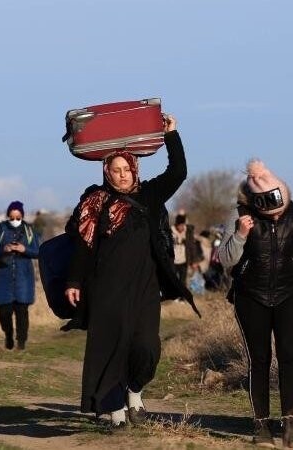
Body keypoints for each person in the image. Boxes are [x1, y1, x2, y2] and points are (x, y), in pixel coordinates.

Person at [63, 114, 198, 428]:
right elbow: (83, 244)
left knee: (147, 347)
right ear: (107, 172)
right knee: (110, 348)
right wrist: (73, 280)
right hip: (106, 288)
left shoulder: (148, 195)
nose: (122, 176)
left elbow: (178, 172)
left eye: (127, 169)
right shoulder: (96, 201)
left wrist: (172, 135)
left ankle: (134, 391)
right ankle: (116, 412)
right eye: (116, 170)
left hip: (145, 288)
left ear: (134, 169)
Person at [218, 160, 293, 448]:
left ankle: (291, 424)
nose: (276, 218)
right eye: (270, 214)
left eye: (280, 213)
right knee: (259, 360)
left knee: (289, 358)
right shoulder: (238, 214)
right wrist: (240, 235)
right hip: (251, 296)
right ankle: (261, 425)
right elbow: (226, 261)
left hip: (289, 294)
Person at [0, 200, 40, 350]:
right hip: (4, 276)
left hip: (24, 278)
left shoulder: (30, 231)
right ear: (8, 216)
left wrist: (25, 250)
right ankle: (8, 335)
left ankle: (21, 342)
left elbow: (38, 251)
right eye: (12, 217)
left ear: (22, 216)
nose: (15, 220)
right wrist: (4, 249)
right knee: (4, 311)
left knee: (22, 312)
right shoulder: (0, 230)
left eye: (18, 217)